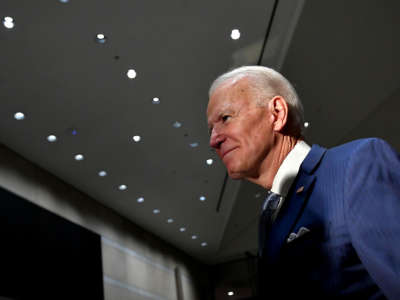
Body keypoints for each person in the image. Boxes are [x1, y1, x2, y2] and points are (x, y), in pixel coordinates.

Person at [206, 66, 400, 299]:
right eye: (211, 129)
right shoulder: (268, 217)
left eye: (225, 118)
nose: (213, 140)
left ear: (276, 114)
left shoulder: (356, 163)